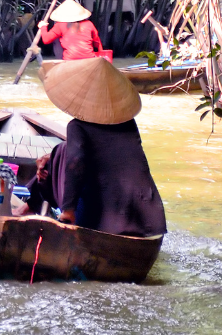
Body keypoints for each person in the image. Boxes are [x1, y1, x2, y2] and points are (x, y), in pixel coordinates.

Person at [41, 56, 166, 237]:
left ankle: (33, 203)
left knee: (60, 154)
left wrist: (68, 209)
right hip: (144, 217)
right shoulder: (128, 123)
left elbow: (76, 162)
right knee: (59, 151)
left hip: (106, 220)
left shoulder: (76, 126)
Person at [38, 0, 104, 61]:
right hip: (89, 59)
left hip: (70, 60)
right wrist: (102, 54)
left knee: (57, 41)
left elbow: (46, 39)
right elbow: (97, 42)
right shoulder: (89, 24)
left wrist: (43, 27)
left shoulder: (60, 25)